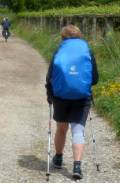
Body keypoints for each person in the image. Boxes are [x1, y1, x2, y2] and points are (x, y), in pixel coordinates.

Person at [45, 25, 99, 179]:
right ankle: (77, 166)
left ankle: (59, 158)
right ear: (79, 36)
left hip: (61, 96)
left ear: (63, 37)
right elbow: (95, 78)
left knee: (61, 128)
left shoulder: (59, 50)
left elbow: (50, 76)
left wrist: (50, 93)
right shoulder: (87, 50)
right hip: (82, 97)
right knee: (78, 130)